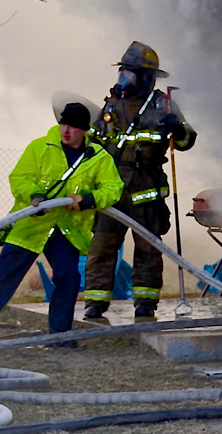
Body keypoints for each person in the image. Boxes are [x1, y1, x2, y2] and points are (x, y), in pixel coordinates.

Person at [0, 97, 124, 346]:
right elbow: (20, 177)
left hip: (66, 229)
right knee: (3, 275)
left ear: (84, 131)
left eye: (72, 127)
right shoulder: (39, 147)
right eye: (64, 125)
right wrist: (34, 196)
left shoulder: (98, 158)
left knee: (68, 276)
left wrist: (88, 199)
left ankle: (61, 335)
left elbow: (114, 188)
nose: (66, 130)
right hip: (31, 224)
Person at [83, 41, 196, 320]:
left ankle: (145, 304)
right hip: (111, 189)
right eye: (122, 73)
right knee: (101, 247)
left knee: (147, 248)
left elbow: (186, 141)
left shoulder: (163, 104)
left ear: (145, 77)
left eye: (129, 74)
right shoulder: (111, 105)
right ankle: (95, 303)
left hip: (146, 188)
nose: (123, 79)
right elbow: (96, 142)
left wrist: (176, 127)